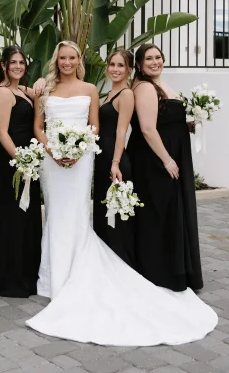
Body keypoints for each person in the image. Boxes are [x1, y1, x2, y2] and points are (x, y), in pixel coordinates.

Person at [26, 40, 217, 346]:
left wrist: (94, 154)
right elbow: (38, 118)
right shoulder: (77, 90)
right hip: (58, 160)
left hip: (89, 159)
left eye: (72, 57)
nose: (66, 61)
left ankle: (87, 272)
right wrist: (52, 145)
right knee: (58, 214)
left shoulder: (110, 91)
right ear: (56, 60)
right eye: (62, 57)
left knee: (79, 214)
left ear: (130, 69)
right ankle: (53, 277)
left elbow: (110, 129)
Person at [128, 43, 204, 292]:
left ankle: (173, 267)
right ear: (139, 64)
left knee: (170, 211)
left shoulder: (160, 84)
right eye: (148, 58)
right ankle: (158, 271)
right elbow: (148, 129)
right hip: (154, 160)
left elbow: (166, 119)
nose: (154, 61)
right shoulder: (145, 87)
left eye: (158, 57)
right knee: (158, 212)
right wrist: (168, 160)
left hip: (169, 154)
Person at [0, 46, 42, 297]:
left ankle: (24, 273)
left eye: (22, 62)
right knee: (12, 220)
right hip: (10, 162)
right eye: (13, 62)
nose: (18, 66)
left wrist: (40, 81)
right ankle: (9, 278)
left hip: (27, 161)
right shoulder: (4, 93)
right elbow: (2, 131)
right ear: (4, 66)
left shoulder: (22, 91)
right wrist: (21, 160)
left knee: (24, 220)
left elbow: (44, 89)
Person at [93, 49, 135, 267]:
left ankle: (120, 265)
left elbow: (121, 132)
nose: (115, 69)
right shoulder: (109, 94)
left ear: (129, 69)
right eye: (112, 64)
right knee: (103, 212)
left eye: (120, 65)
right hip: (103, 160)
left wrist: (115, 163)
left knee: (115, 216)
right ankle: (106, 264)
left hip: (114, 160)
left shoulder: (126, 95)